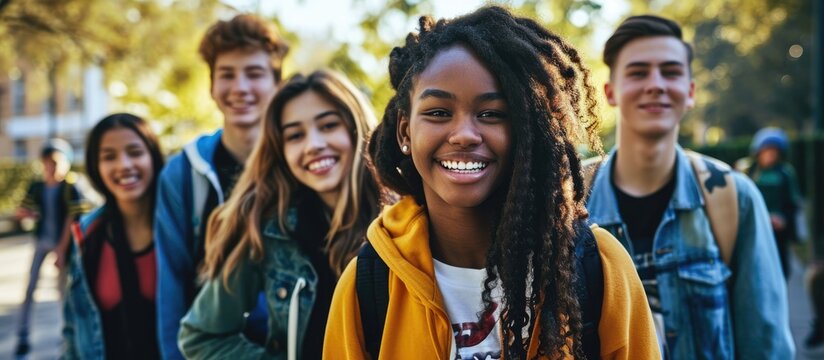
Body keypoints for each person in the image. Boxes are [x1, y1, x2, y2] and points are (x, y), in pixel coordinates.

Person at [324, 6, 658, 359]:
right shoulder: (369, 283)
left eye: (491, 114)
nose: (465, 135)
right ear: (405, 132)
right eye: (439, 112)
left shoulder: (598, 266)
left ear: (528, 133)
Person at [585, 14, 795, 359]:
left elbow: (766, 345)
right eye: (638, 72)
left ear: (691, 91)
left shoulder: (733, 197)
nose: (656, 84)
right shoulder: (568, 197)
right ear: (610, 92)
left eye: (670, 72)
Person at [178, 69, 383, 359]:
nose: (313, 145)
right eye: (295, 135)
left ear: (357, 129)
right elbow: (201, 336)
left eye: (327, 126)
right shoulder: (269, 230)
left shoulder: (405, 222)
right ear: (281, 149)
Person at [153, 14, 289, 360]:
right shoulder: (183, 173)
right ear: (212, 86)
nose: (240, 87)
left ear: (277, 83)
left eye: (254, 74)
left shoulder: (302, 166)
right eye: (227, 74)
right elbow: (171, 283)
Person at [62, 113, 165, 359]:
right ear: (96, 167)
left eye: (135, 152)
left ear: (153, 156)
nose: (124, 165)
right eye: (109, 156)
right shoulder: (87, 235)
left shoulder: (183, 229)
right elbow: (73, 329)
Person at [14, 138, 85, 356]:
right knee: (30, 287)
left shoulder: (71, 186)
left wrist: (62, 251)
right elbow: (22, 211)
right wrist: (30, 214)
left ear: (65, 163)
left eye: (55, 163)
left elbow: (73, 220)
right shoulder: (37, 186)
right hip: (41, 241)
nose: (51, 168)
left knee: (62, 292)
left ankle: (67, 337)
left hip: (62, 245)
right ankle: (23, 335)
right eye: (47, 163)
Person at [745, 127, 804, 280]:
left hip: (778, 232)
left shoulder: (785, 174)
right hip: (754, 228)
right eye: (767, 150)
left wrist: (783, 219)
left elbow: (792, 203)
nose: (771, 155)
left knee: (780, 268)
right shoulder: (749, 172)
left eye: (774, 151)